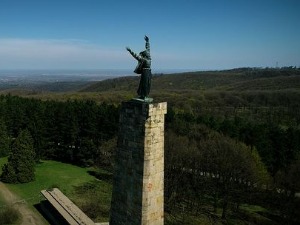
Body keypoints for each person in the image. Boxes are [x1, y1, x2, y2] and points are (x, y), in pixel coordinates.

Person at [126, 35, 152, 100]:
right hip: (145, 72)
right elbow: (135, 55)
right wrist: (130, 51)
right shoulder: (143, 59)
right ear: (145, 55)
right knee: (144, 84)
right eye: (147, 53)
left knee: (147, 84)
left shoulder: (148, 58)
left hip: (148, 72)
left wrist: (147, 41)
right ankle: (143, 95)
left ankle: (144, 95)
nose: (148, 53)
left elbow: (148, 48)